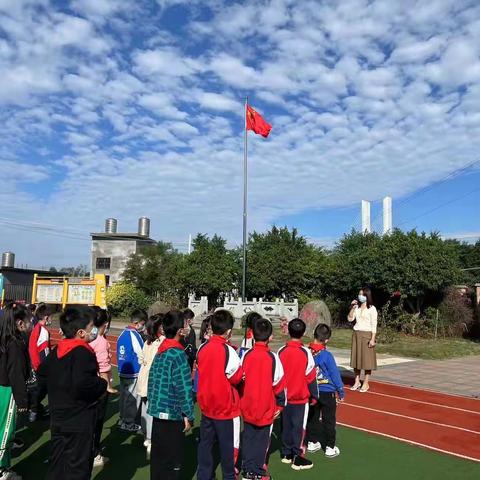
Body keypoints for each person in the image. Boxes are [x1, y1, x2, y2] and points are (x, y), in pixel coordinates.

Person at [37, 306, 107, 480]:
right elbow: (84, 384)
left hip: (58, 416)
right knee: (78, 467)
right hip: (78, 419)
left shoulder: (57, 350)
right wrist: (101, 384)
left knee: (58, 462)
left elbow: (42, 372)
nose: (95, 331)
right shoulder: (83, 353)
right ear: (82, 333)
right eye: (92, 327)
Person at [196, 310, 243, 480]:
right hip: (224, 407)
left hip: (207, 405)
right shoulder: (228, 351)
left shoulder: (203, 347)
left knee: (206, 444)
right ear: (229, 331)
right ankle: (229, 476)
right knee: (227, 448)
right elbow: (236, 377)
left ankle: (204, 475)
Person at [147, 310, 193, 480]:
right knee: (172, 462)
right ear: (180, 330)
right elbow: (184, 388)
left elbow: (152, 379)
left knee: (158, 459)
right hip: (172, 415)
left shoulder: (161, 350)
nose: (188, 326)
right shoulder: (178, 354)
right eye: (186, 324)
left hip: (157, 412)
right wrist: (188, 414)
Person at [240, 318, 286, 480]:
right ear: (270, 337)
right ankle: (256, 472)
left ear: (252, 334)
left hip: (248, 405)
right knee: (261, 441)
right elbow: (279, 384)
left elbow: (240, 380)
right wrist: (280, 405)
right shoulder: (273, 359)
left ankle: (247, 468)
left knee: (248, 437)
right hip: (266, 407)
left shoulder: (246, 356)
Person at [278, 318, 317, 471]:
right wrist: (314, 395)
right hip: (300, 398)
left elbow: (278, 375)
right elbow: (311, 376)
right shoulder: (306, 352)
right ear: (303, 333)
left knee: (286, 426)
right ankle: (297, 456)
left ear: (289, 331)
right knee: (299, 428)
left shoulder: (281, 351)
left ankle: (286, 453)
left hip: (286, 397)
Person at [0, 305, 30, 480]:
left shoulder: (4, 338)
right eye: (28, 320)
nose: (30, 322)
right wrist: (22, 402)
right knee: (5, 430)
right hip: (7, 390)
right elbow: (16, 374)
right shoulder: (15, 344)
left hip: (2, 387)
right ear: (19, 323)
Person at [306, 324, 344, 458]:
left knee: (312, 417)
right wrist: (340, 390)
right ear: (326, 340)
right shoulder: (327, 356)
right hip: (328, 392)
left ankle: (312, 441)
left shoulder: (308, 352)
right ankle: (330, 446)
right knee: (329, 420)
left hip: (312, 390)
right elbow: (334, 374)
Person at [90, 307, 115, 468]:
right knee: (97, 422)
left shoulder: (87, 338)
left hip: (86, 385)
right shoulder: (101, 342)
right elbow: (104, 367)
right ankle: (94, 453)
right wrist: (109, 387)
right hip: (98, 387)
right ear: (105, 324)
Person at [137, 314, 164, 456]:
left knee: (145, 407)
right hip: (152, 380)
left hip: (143, 377)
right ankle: (151, 439)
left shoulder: (147, 341)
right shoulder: (161, 342)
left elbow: (141, 358)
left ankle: (146, 436)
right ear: (159, 327)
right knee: (152, 411)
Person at [116, 309, 147, 432]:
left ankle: (122, 419)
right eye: (143, 324)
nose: (143, 327)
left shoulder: (122, 333)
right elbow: (141, 354)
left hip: (122, 371)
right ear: (137, 322)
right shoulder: (135, 335)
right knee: (132, 399)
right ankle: (128, 422)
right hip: (133, 373)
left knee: (124, 396)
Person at [347, 287, 378, 392]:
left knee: (367, 361)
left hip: (367, 335)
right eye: (359, 294)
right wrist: (352, 307)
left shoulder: (372, 308)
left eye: (363, 295)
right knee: (356, 359)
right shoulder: (357, 308)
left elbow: (374, 325)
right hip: (356, 334)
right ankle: (356, 381)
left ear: (367, 296)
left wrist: (373, 339)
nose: (361, 296)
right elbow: (350, 319)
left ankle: (366, 382)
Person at [27, 302, 52, 422]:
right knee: (42, 390)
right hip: (39, 367)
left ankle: (35, 409)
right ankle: (34, 410)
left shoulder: (36, 328)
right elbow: (44, 351)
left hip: (33, 364)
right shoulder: (43, 331)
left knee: (37, 390)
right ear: (46, 317)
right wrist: (44, 368)